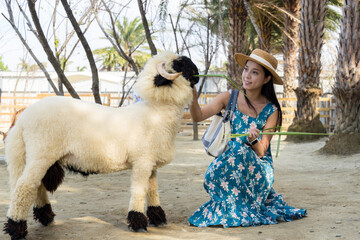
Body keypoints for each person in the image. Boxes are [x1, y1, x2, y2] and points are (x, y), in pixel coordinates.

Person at [188, 49, 306, 227]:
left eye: (255, 72)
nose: (247, 76)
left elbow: (261, 151)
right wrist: (192, 98)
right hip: (229, 164)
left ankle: (240, 206)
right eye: (246, 69)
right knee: (231, 155)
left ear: (267, 79)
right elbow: (197, 116)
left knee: (240, 150)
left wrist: (253, 140)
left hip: (257, 169)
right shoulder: (228, 98)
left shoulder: (271, 110)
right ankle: (231, 205)